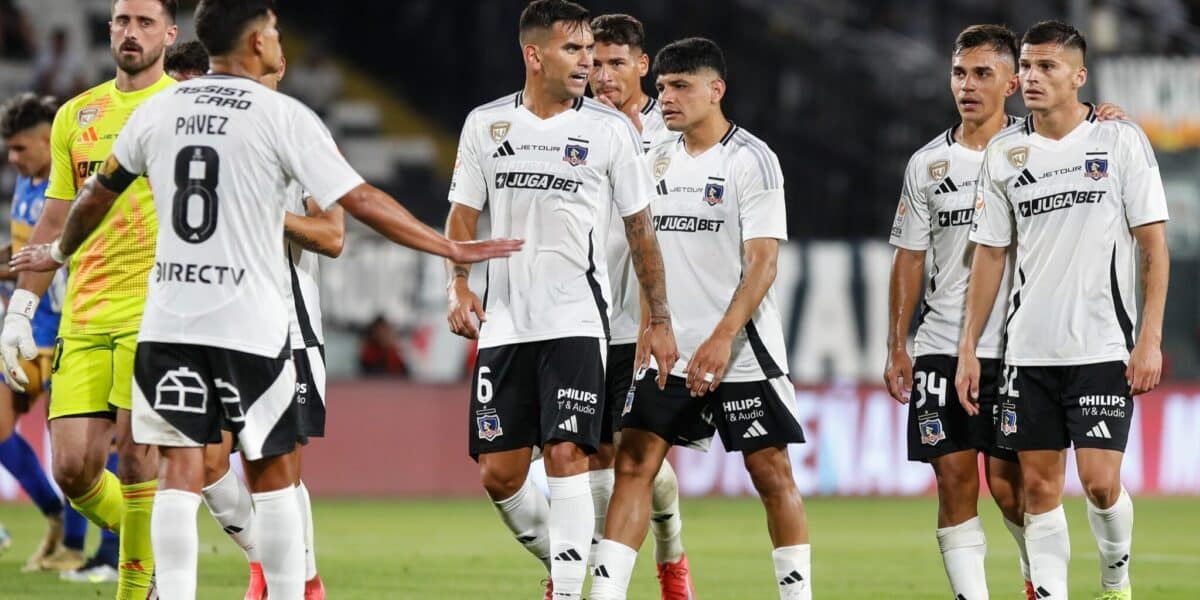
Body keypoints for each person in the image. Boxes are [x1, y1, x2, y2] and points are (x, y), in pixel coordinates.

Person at [10, 1, 520, 598]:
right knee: (274, 476)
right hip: (248, 320)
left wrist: (60, 252)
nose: (281, 41)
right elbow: (360, 201)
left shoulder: (158, 110)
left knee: (177, 476)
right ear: (255, 42)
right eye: (275, 31)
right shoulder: (281, 115)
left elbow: (96, 194)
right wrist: (447, 248)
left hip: (170, 323)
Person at [444, 2, 678, 598]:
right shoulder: (486, 125)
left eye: (590, 52)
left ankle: (572, 589)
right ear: (534, 54)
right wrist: (459, 283)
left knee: (568, 453)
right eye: (573, 50)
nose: (587, 65)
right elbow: (462, 214)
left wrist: (659, 318)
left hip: (576, 318)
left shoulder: (608, 131)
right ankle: (572, 563)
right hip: (505, 324)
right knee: (499, 474)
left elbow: (640, 230)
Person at [590, 37, 809, 600]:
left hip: (740, 349)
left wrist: (721, 338)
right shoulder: (652, 158)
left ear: (716, 90)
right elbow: (646, 252)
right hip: (669, 347)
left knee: (771, 474)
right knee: (634, 464)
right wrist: (650, 324)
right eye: (662, 86)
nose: (666, 97)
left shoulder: (751, 159)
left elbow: (763, 263)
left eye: (680, 86)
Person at [957, 20, 1169, 600]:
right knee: (1038, 490)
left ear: (1079, 76)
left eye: (1046, 66)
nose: (1030, 76)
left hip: (1102, 345)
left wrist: (1149, 339)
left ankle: (1115, 580)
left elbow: (1152, 245)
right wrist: (969, 348)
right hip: (1029, 350)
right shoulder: (1004, 152)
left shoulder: (1119, 140)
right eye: (1025, 66)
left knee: (1101, 485)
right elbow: (991, 256)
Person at [0, 2, 179, 597]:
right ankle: (162, 550)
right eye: (122, 21)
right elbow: (52, 221)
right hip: (83, 312)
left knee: (135, 461)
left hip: (157, 310)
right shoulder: (76, 115)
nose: (132, 32)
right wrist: (20, 311)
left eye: (146, 23)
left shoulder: (184, 108)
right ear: (109, 30)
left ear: (169, 35)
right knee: (73, 469)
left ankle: (142, 589)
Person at [884, 24, 1033, 600]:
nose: (966, 86)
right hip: (942, 343)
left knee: (1011, 485)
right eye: (959, 74)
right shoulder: (927, 164)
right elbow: (909, 257)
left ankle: (1035, 580)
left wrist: (1103, 117)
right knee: (952, 480)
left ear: (1013, 82)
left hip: (1016, 344)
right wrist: (899, 342)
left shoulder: (1039, 147)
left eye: (982, 74)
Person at [586, 12, 693, 599]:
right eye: (594, 63)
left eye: (615, 63)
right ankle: (606, 570)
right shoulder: (575, 130)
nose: (602, 76)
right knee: (607, 451)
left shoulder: (671, 132)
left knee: (637, 449)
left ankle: (670, 557)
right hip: (588, 317)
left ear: (643, 66)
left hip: (649, 318)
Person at [0, 92, 72, 573]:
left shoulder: (68, 188)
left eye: (21, 148)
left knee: (80, 442)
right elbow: (22, 249)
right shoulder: (27, 186)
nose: (12, 158)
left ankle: (81, 542)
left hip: (62, 326)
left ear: (49, 140)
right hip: (25, 322)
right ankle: (56, 519)